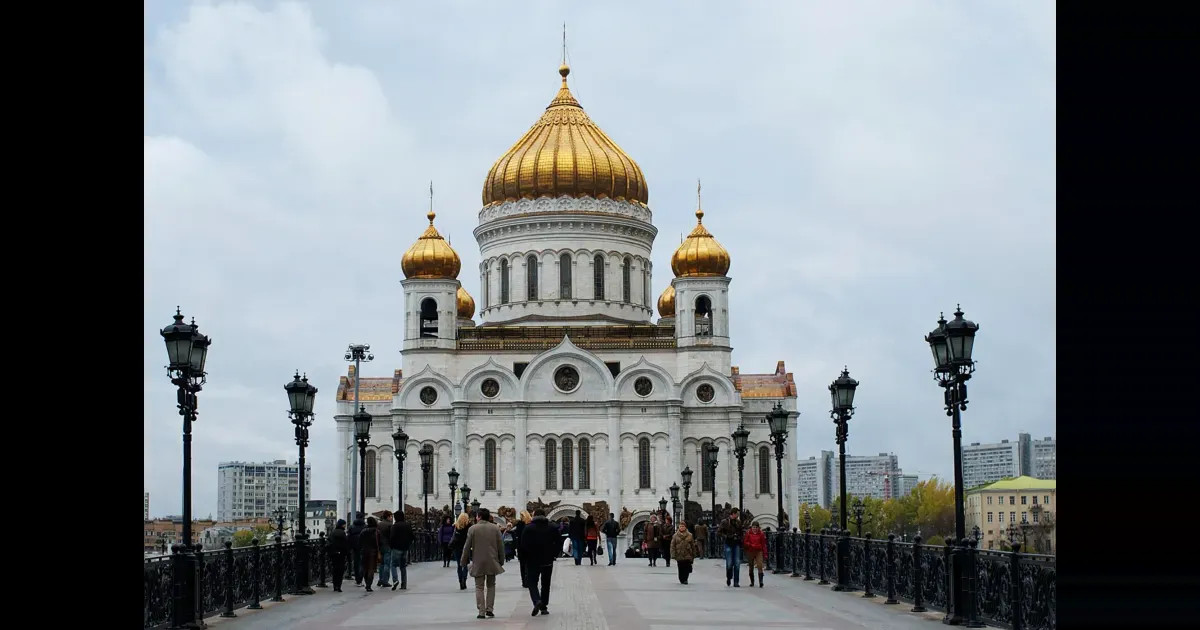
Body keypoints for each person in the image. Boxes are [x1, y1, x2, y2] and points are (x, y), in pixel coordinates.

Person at [460, 508, 505, 619]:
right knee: (491, 585)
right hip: (492, 560)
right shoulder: (495, 529)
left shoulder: (472, 529)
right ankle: (490, 609)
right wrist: (501, 560)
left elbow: (466, 546)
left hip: (478, 561)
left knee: (479, 587)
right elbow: (501, 546)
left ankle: (481, 611)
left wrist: (463, 560)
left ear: (479, 517)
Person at [518, 508, 560, 616]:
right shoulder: (552, 527)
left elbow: (523, 545)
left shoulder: (528, 528)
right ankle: (544, 607)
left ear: (534, 514)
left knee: (532, 582)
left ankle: (537, 600)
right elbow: (558, 542)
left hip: (532, 560)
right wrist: (553, 554)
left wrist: (523, 559)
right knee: (546, 584)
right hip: (547, 560)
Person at [717, 508, 746, 587]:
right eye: (737, 514)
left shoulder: (738, 522)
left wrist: (740, 538)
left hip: (736, 544)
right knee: (729, 563)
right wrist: (726, 536)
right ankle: (729, 577)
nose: (738, 515)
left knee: (737, 563)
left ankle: (736, 581)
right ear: (733, 514)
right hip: (728, 543)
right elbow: (719, 532)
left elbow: (741, 532)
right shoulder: (725, 522)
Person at [390, 513, 415, 590]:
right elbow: (412, 536)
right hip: (405, 548)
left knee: (393, 564)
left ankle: (395, 580)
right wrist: (408, 544)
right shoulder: (407, 525)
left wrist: (392, 546)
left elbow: (392, 537)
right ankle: (404, 584)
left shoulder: (395, 526)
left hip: (396, 548)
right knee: (403, 566)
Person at [450, 512, 472, 590]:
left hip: (457, 547)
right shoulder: (469, 526)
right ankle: (464, 580)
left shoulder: (456, 526)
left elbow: (453, 536)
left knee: (459, 565)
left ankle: (460, 581)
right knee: (465, 564)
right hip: (466, 547)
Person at [743, 521, 767, 587]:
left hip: (759, 551)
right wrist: (750, 545)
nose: (755, 529)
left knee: (760, 565)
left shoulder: (761, 534)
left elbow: (763, 544)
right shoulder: (748, 533)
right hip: (750, 551)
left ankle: (761, 581)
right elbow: (745, 542)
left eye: (756, 527)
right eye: (753, 527)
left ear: (758, 528)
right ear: (752, 527)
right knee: (751, 566)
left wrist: (765, 553)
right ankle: (752, 581)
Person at [328, 519, 349, 592]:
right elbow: (345, 543)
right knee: (340, 570)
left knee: (335, 569)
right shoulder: (342, 533)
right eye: (344, 524)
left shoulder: (332, 532)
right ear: (342, 525)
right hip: (341, 554)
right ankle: (338, 586)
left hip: (334, 553)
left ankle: (335, 586)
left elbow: (329, 541)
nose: (345, 526)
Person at [361, 516, 380, 592]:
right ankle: (369, 585)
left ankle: (366, 583)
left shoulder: (363, 531)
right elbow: (379, 543)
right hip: (373, 552)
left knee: (365, 568)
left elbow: (360, 542)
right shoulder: (377, 531)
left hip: (364, 551)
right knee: (371, 569)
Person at [377, 510, 394, 589]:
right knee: (387, 564)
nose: (392, 518)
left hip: (380, 546)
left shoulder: (379, 524)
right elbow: (392, 537)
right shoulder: (390, 525)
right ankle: (385, 581)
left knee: (381, 564)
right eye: (391, 516)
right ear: (388, 517)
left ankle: (380, 579)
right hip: (387, 546)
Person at [347, 514, 365, 586]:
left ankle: (357, 579)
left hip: (354, 547)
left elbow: (349, 537)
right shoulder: (365, 526)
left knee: (356, 562)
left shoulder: (351, 527)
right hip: (363, 546)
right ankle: (360, 579)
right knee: (362, 563)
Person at [515, 511, 532, 587]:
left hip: (522, 548)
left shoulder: (520, 525)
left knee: (523, 565)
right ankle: (529, 580)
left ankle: (524, 581)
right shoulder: (531, 524)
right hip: (530, 547)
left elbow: (518, 537)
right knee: (529, 565)